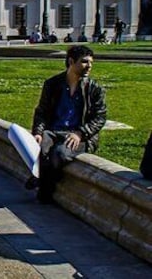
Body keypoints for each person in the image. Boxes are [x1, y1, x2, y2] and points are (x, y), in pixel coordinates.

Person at [28, 45, 107, 203]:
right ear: (71, 61)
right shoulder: (52, 84)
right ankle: (42, 185)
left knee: (60, 154)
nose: (89, 66)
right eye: (84, 62)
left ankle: (43, 187)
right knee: (39, 152)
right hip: (53, 131)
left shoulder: (95, 89)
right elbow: (42, 111)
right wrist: (38, 132)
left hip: (79, 135)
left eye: (91, 62)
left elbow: (100, 117)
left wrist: (81, 133)